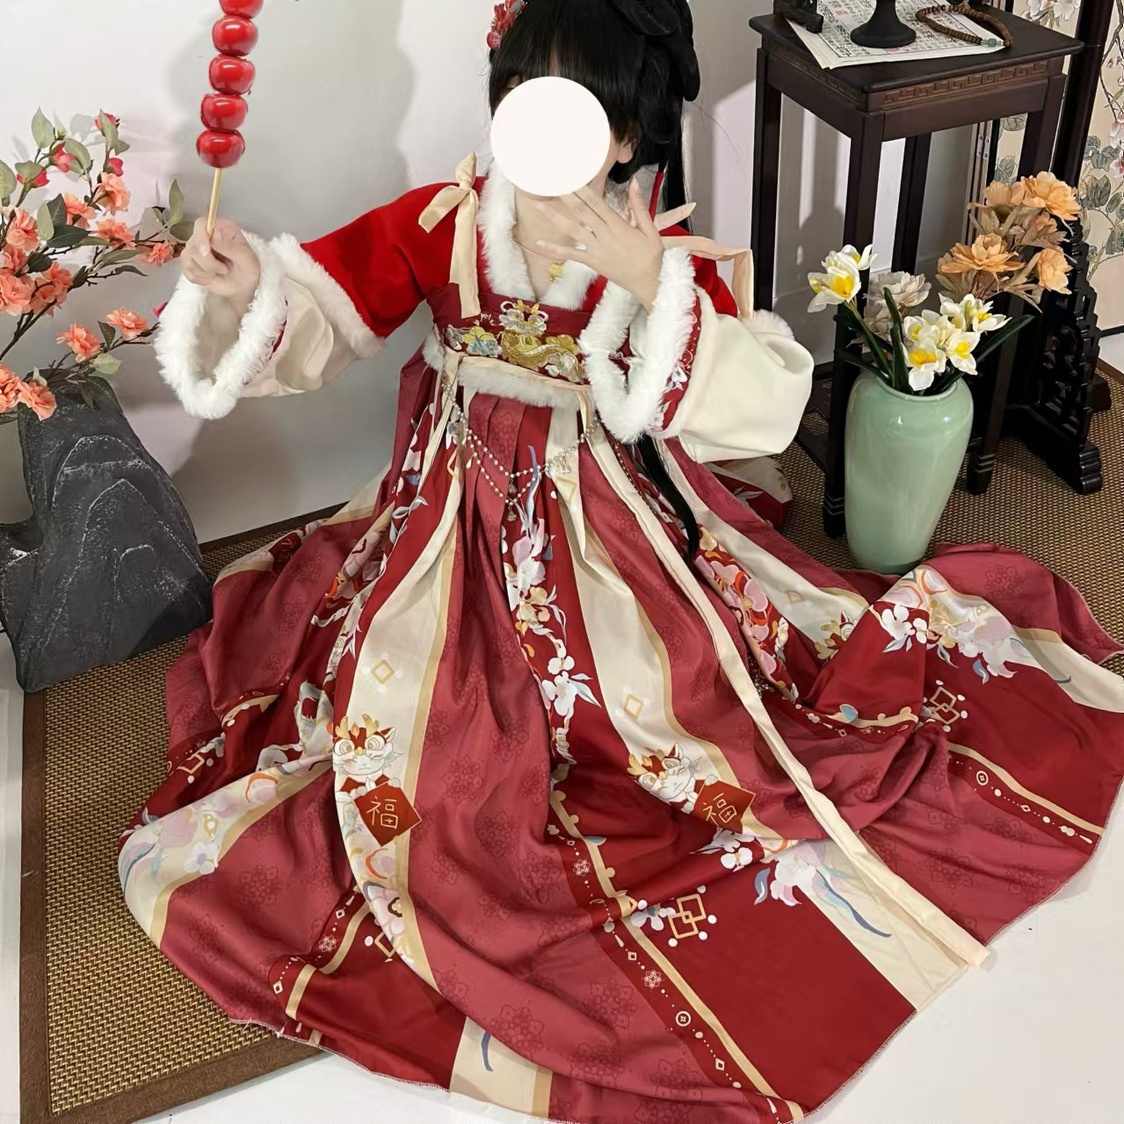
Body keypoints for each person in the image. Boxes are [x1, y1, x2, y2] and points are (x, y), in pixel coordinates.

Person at [122, 2, 1124, 1121]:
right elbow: (325, 305)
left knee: (663, 694)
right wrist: (244, 285)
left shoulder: (657, 248)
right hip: (448, 498)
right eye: (522, 94)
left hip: (601, 508)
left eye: (573, 105)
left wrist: (654, 286)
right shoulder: (447, 217)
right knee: (412, 697)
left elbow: (758, 399)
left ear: (626, 133)